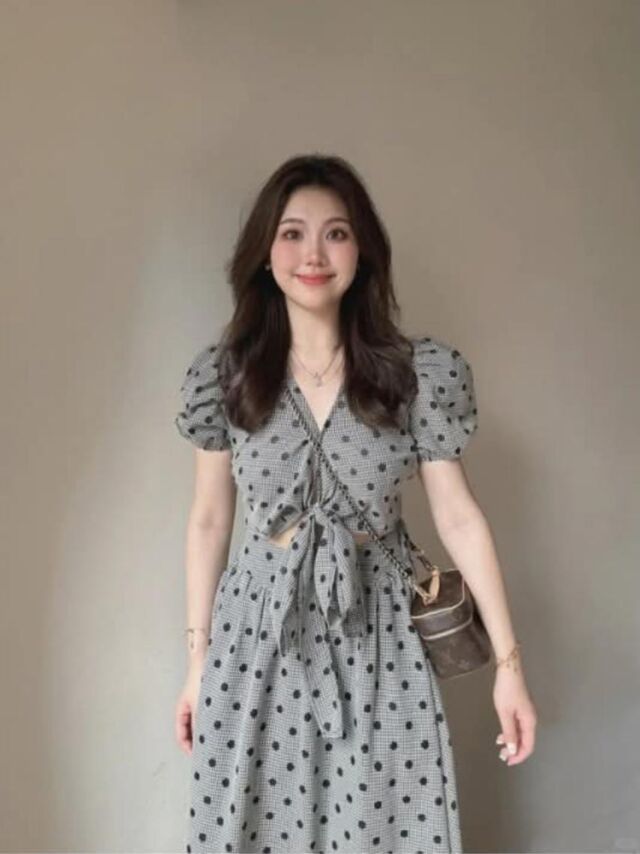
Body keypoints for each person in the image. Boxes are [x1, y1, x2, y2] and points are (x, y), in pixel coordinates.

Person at [173, 154, 537, 854]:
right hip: (258, 633)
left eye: (336, 233)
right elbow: (209, 520)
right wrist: (198, 661)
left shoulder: (413, 374)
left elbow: (459, 516)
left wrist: (509, 670)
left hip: (378, 628)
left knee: (385, 830)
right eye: (292, 233)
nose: (313, 254)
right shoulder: (226, 377)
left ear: (362, 250)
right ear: (265, 252)